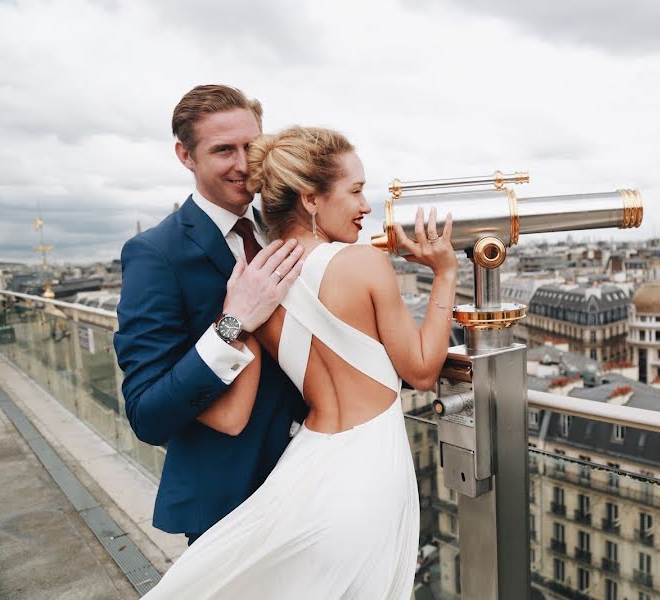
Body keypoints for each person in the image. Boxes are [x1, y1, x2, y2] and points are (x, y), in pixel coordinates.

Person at [144, 126, 457, 598]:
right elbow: (422, 370)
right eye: (355, 191)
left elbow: (231, 417)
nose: (366, 206)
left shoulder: (254, 281)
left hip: (305, 467)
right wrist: (446, 273)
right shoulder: (362, 263)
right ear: (311, 200)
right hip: (369, 470)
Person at [113, 85, 308, 545]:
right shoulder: (154, 254)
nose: (243, 165)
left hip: (311, 481)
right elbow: (147, 414)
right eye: (224, 150)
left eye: (252, 148)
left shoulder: (289, 229)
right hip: (231, 506)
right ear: (186, 155)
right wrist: (232, 323)